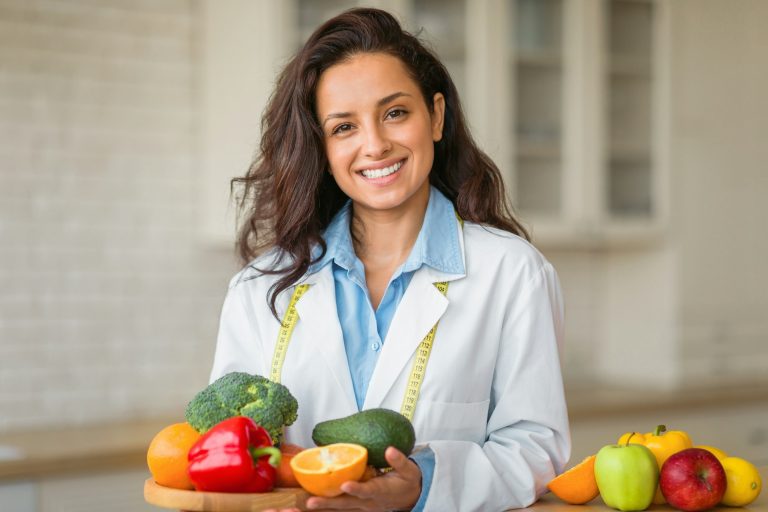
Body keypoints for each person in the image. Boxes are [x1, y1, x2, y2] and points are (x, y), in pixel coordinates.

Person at [210, 7, 570, 512]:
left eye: (395, 113)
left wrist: (424, 483)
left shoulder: (513, 273)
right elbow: (223, 444)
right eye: (343, 127)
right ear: (322, 146)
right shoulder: (258, 286)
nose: (375, 145)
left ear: (436, 116)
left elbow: (536, 447)